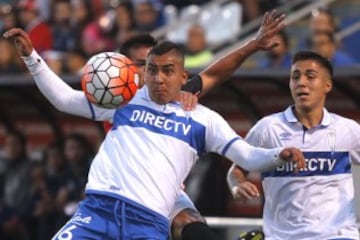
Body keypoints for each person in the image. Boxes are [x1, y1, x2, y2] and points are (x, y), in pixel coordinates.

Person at [5, 12, 306, 240]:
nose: (157, 77)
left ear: (182, 75)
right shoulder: (122, 99)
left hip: (152, 210)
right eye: (147, 68)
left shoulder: (200, 114)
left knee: (187, 221)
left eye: (166, 70)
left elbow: (246, 150)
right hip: (98, 207)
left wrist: (278, 154)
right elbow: (64, 99)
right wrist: (32, 58)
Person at [105, 10, 288, 240]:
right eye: (142, 65)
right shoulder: (111, 98)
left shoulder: (176, 97)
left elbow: (213, 74)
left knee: (191, 223)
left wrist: (253, 45)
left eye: (152, 65)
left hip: (164, 192)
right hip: (120, 192)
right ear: (124, 68)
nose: (151, 73)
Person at [227, 51, 360, 240]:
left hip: (336, 235)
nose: (301, 82)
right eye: (295, 77)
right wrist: (237, 186)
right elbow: (236, 169)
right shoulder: (268, 128)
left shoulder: (348, 129)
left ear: (327, 85)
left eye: (310, 76)